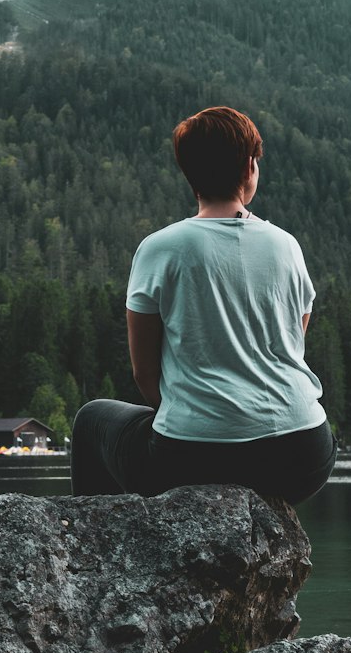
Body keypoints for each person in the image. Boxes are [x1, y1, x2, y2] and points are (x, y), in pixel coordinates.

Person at [70, 105, 336, 504]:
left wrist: (196, 415)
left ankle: (95, 552)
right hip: (303, 454)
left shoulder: (161, 248)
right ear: (250, 167)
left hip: (195, 459)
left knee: (91, 419)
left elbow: (146, 373)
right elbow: (291, 346)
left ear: (189, 172)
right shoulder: (286, 245)